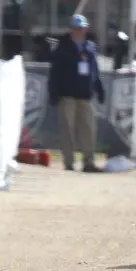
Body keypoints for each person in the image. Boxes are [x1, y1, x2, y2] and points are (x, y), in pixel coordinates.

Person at [47, 14, 106, 172]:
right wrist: (53, 92)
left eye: (83, 28)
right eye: (77, 29)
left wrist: (99, 88)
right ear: (72, 30)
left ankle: (88, 162)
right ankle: (69, 162)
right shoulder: (63, 49)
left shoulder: (90, 47)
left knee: (88, 129)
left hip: (85, 95)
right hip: (67, 96)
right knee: (68, 130)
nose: (80, 31)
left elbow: (94, 70)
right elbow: (55, 73)